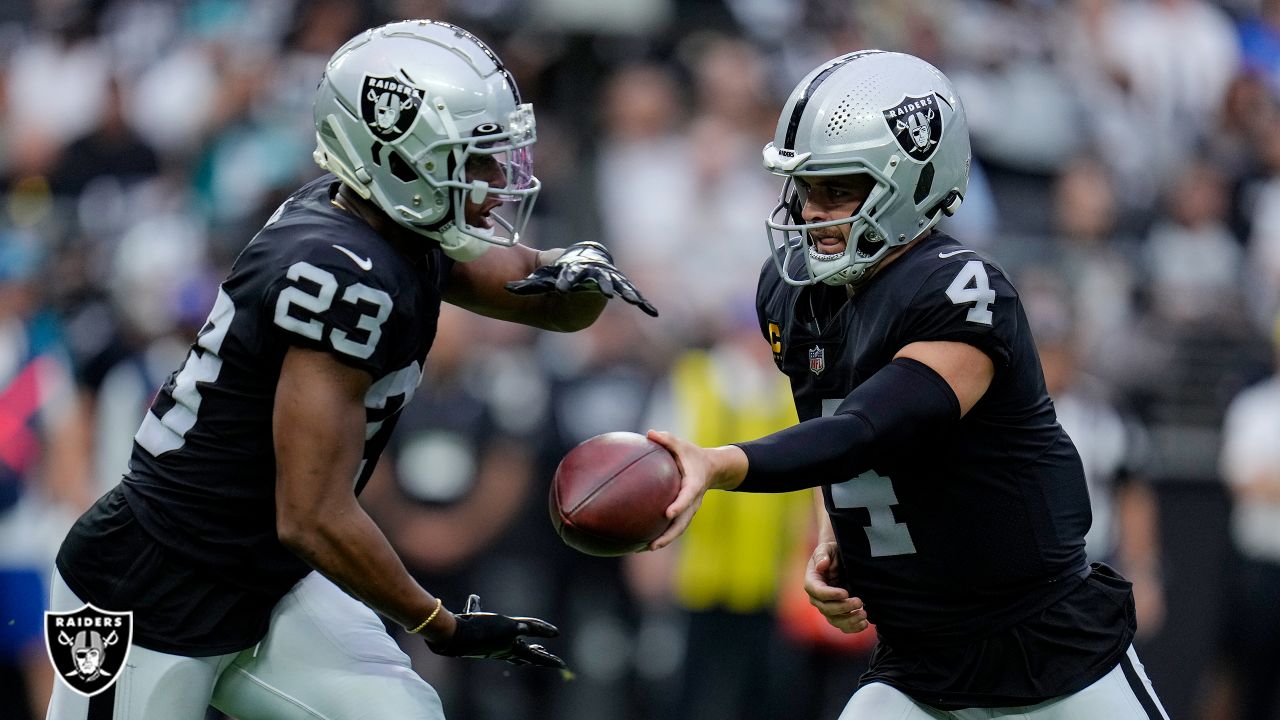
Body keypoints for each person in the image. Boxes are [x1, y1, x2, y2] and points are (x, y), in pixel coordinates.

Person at [46, 19, 655, 720]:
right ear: (396, 158)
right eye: (473, 159)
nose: (493, 182)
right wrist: (441, 625)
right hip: (154, 580)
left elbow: (543, 301)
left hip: (264, 577)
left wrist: (583, 271)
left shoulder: (389, 223)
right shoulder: (338, 273)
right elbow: (314, 517)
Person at [646, 50, 1170, 718]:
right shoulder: (792, 293)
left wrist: (720, 464)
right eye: (805, 188)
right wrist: (833, 530)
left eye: (837, 188)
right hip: (918, 662)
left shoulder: (959, 291)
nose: (811, 213)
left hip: (1049, 654)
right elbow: (830, 432)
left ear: (913, 181)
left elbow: (869, 427)